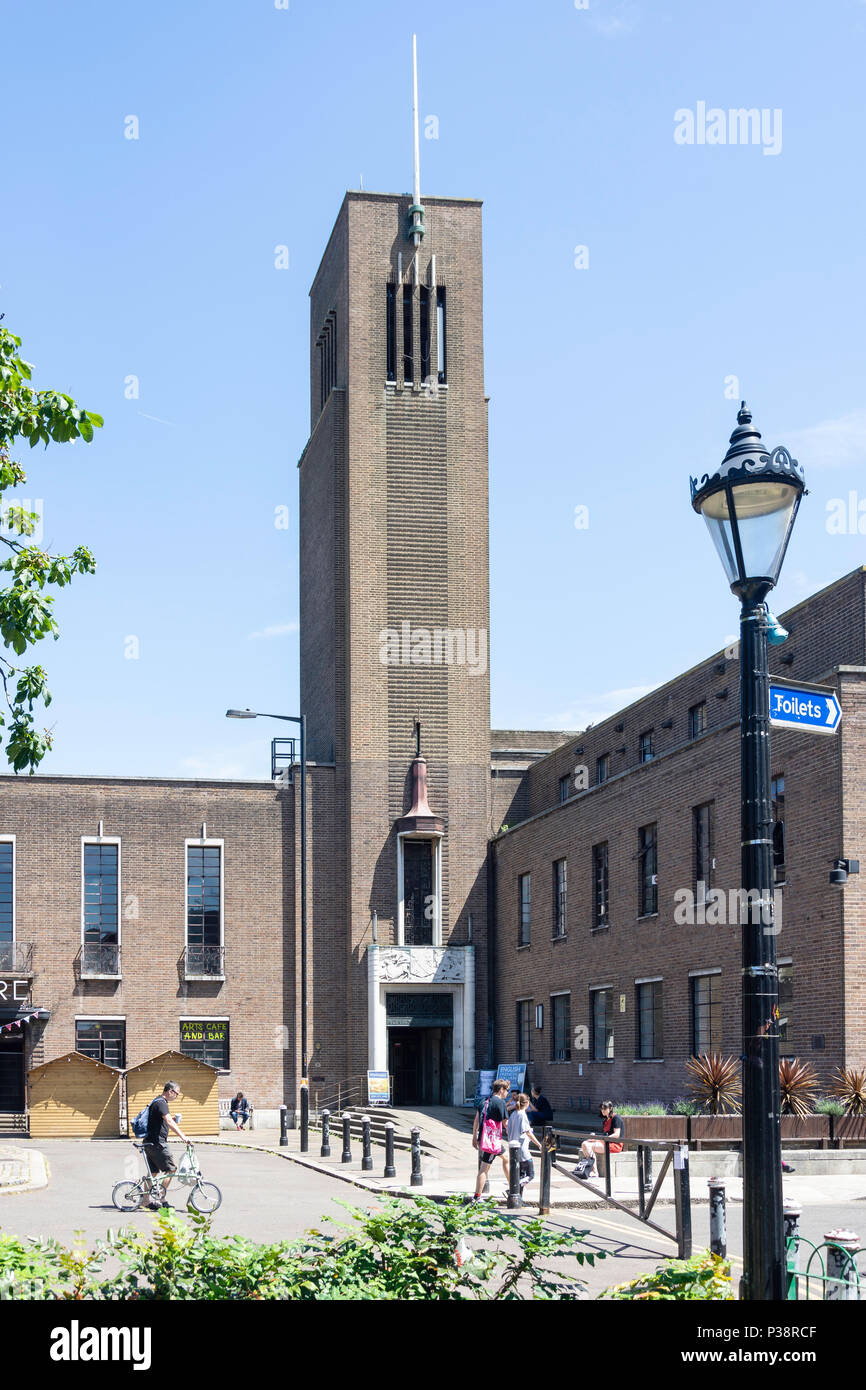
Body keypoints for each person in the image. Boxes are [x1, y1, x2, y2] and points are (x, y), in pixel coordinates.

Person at [141, 1080, 191, 1210]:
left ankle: (145, 1201)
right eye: (177, 1094)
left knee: (152, 1172)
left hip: (149, 1142)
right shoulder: (162, 1103)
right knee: (171, 1169)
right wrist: (183, 1137)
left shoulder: (157, 1101)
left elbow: (162, 1121)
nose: (177, 1096)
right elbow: (168, 1121)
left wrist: (173, 1120)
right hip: (158, 1143)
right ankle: (162, 1198)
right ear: (170, 1091)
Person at [472, 1079, 511, 1200]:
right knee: (484, 1168)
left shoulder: (484, 1100)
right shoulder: (500, 1103)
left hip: (484, 1137)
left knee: (506, 1158)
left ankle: (513, 1188)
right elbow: (506, 1123)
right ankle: (477, 1197)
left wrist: (474, 1136)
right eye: (506, 1091)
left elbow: (477, 1119)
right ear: (501, 1090)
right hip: (491, 1141)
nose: (507, 1094)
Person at [577, 1100, 623, 1179]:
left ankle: (595, 1171)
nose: (603, 1111)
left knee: (591, 1146)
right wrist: (595, 1138)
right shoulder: (605, 1121)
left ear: (610, 1108)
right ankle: (593, 1169)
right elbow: (606, 1135)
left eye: (605, 1108)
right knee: (585, 1144)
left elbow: (616, 1134)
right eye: (602, 1109)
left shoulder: (616, 1118)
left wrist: (598, 1139)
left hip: (615, 1144)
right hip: (606, 1142)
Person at [507, 1092, 542, 1192]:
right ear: (527, 1103)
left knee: (521, 1175)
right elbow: (528, 1133)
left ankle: (518, 1197)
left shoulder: (513, 1114)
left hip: (514, 1149)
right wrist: (539, 1145)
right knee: (531, 1175)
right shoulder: (522, 1115)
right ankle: (512, 1189)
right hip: (523, 1150)